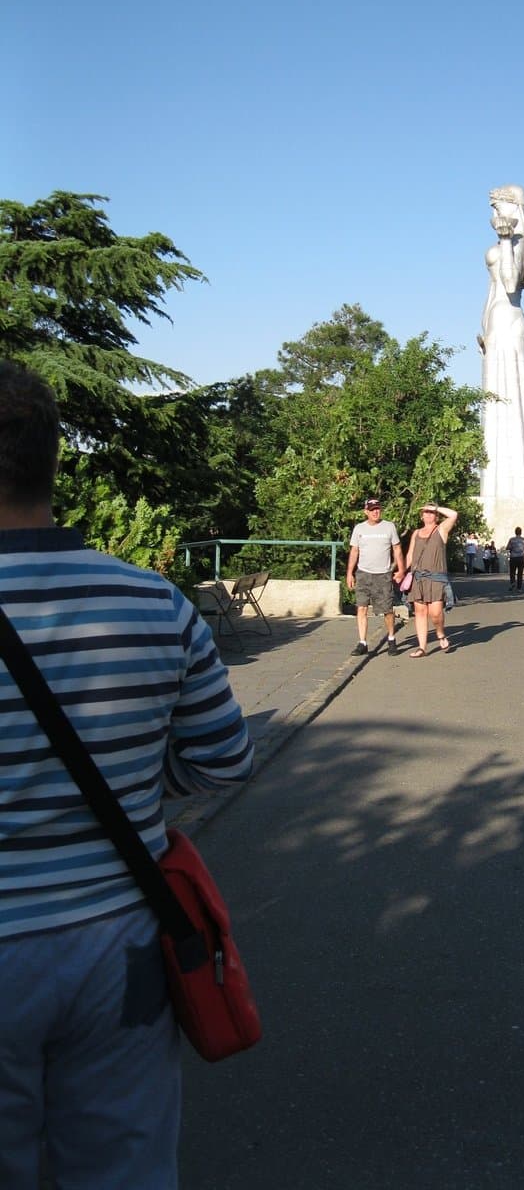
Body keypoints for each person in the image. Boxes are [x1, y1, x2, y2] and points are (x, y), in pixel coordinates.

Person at [0, 360, 254, 1189]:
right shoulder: (153, 601)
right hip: (123, 940)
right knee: (124, 1167)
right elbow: (224, 757)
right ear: (51, 460)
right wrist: (132, 783)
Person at [477, 185, 524, 500]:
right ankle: (494, 489)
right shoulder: (510, 242)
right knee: (495, 408)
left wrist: (504, 241)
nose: (493, 215)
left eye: (497, 207)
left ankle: (511, 492)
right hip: (497, 326)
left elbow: (510, 282)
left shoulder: (515, 242)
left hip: (508, 324)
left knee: (508, 405)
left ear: (511, 208)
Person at [346, 497, 405, 656]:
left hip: (383, 574)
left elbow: (397, 549)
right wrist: (349, 573)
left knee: (387, 609)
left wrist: (401, 569)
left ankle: (391, 639)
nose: (375, 512)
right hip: (364, 573)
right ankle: (362, 642)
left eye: (378, 509)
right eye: (372, 510)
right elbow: (354, 551)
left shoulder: (389, 527)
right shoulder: (359, 529)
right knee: (362, 607)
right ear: (366, 512)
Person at [406, 502, 458, 656]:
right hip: (418, 578)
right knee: (420, 612)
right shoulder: (416, 533)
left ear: (436, 515)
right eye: (425, 512)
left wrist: (436, 508)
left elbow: (453, 514)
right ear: (421, 515)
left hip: (436, 578)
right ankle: (422, 647)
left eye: (431, 512)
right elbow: (410, 554)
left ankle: (441, 634)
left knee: (435, 613)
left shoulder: (441, 529)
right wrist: (401, 571)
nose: (428, 514)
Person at [506, 526, 524, 591]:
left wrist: (512, 547)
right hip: (521, 557)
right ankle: (519, 588)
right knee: (520, 573)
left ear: (515, 532)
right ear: (521, 532)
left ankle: (512, 582)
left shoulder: (512, 539)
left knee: (512, 572)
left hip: (514, 557)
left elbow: (508, 547)